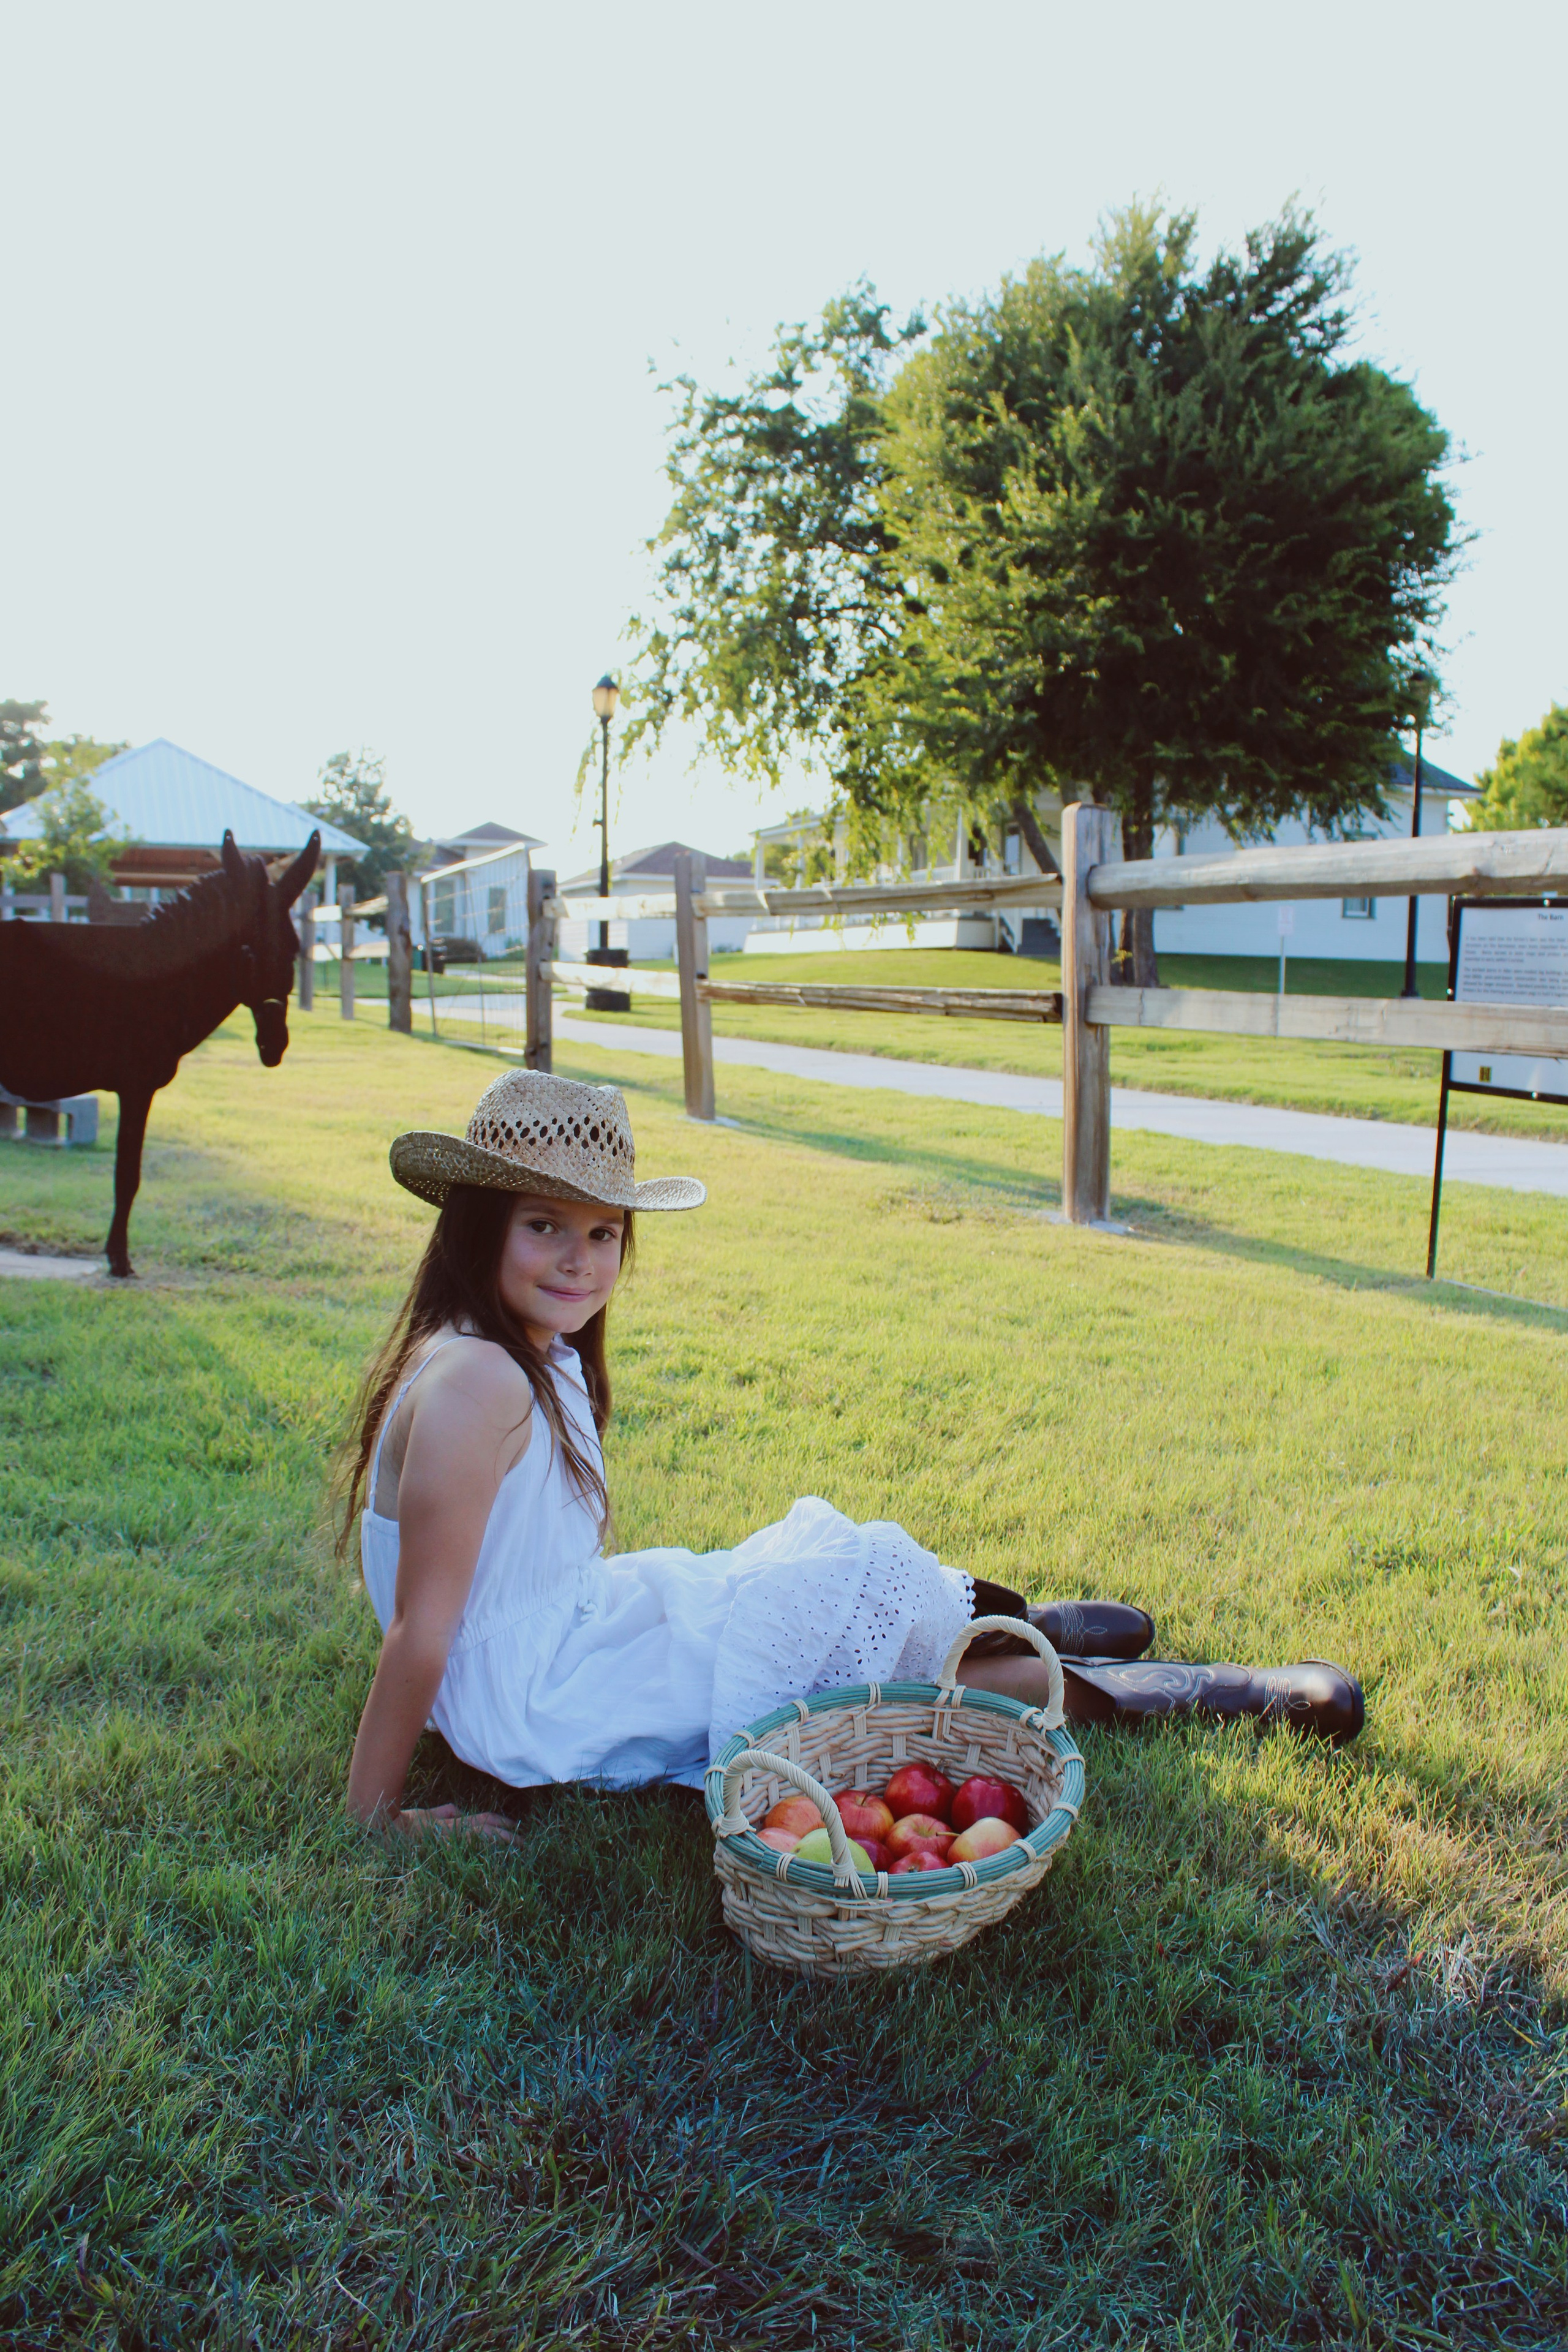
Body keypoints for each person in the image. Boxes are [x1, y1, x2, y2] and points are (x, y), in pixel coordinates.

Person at [342, 1071, 1361, 1841]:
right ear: (479, 1226)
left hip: (578, 1628)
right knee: (820, 1669)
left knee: (789, 1575)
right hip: (545, 1695)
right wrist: (379, 1812)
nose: (581, 1258)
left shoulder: (521, 1353)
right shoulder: (478, 1384)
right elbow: (423, 1635)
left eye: (605, 1232)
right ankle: (1183, 1688)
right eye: (543, 1225)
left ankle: (1013, 1622)